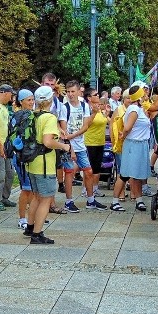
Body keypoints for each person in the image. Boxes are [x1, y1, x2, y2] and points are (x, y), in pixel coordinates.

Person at [25, 86, 72, 243]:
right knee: (45, 199)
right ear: (50, 100)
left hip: (31, 162)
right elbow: (48, 141)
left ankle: (30, 227)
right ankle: (37, 234)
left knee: (36, 197)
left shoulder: (32, 115)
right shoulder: (49, 118)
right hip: (44, 164)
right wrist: (64, 146)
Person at [60, 80, 106, 212]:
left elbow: (85, 126)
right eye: (68, 92)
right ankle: (69, 201)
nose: (70, 94)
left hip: (80, 144)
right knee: (69, 173)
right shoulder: (65, 107)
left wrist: (72, 136)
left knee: (88, 171)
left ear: (78, 91)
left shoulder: (84, 106)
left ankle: (90, 200)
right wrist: (70, 147)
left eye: (73, 91)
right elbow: (64, 132)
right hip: (69, 146)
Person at [118, 83, 152, 211]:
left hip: (140, 143)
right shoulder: (134, 109)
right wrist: (123, 134)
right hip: (134, 144)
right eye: (144, 93)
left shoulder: (138, 108)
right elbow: (128, 127)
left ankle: (139, 200)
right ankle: (116, 200)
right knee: (126, 174)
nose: (146, 95)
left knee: (137, 174)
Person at [12, 88, 36, 230]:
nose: (31, 102)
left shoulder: (31, 114)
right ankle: (22, 218)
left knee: (33, 189)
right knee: (26, 189)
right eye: (29, 100)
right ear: (21, 102)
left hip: (31, 156)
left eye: (33, 99)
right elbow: (14, 138)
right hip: (21, 158)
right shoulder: (18, 116)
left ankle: (31, 217)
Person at [0, 84, 16, 211]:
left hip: (6, 148)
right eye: (11, 95)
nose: (11, 98)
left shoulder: (4, 108)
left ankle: (5, 197)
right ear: (5, 93)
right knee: (0, 175)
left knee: (10, 174)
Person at [84, 88, 111, 198]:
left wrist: (107, 114)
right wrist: (94, 113)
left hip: (100, 141)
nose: (98, 95)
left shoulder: (99, 109)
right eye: (96, 94)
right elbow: (87, 125)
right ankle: (86, 189)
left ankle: (95, 188)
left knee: (97, 168)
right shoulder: (88, 109)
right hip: (90, 142)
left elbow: (107, 121)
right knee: (89, 168)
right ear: (89, 98)